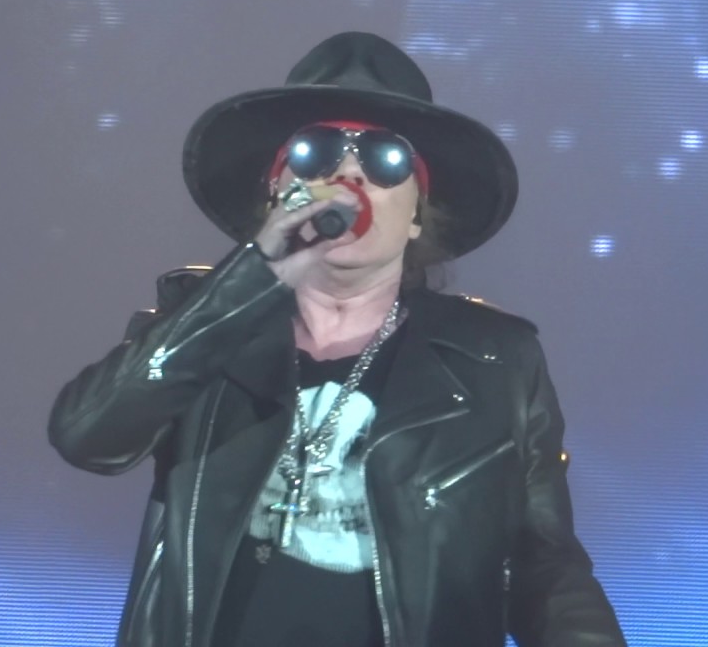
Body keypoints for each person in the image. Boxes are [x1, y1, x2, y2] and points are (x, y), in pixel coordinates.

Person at [48, 32, 626, 647]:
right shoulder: (201, 329)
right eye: (317, 151)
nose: (349, 173)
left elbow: (544, 566)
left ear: (416, 215)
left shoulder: (497, 360)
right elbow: (87, 436)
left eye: (385, 159)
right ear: (277, 193)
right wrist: (249, 279)